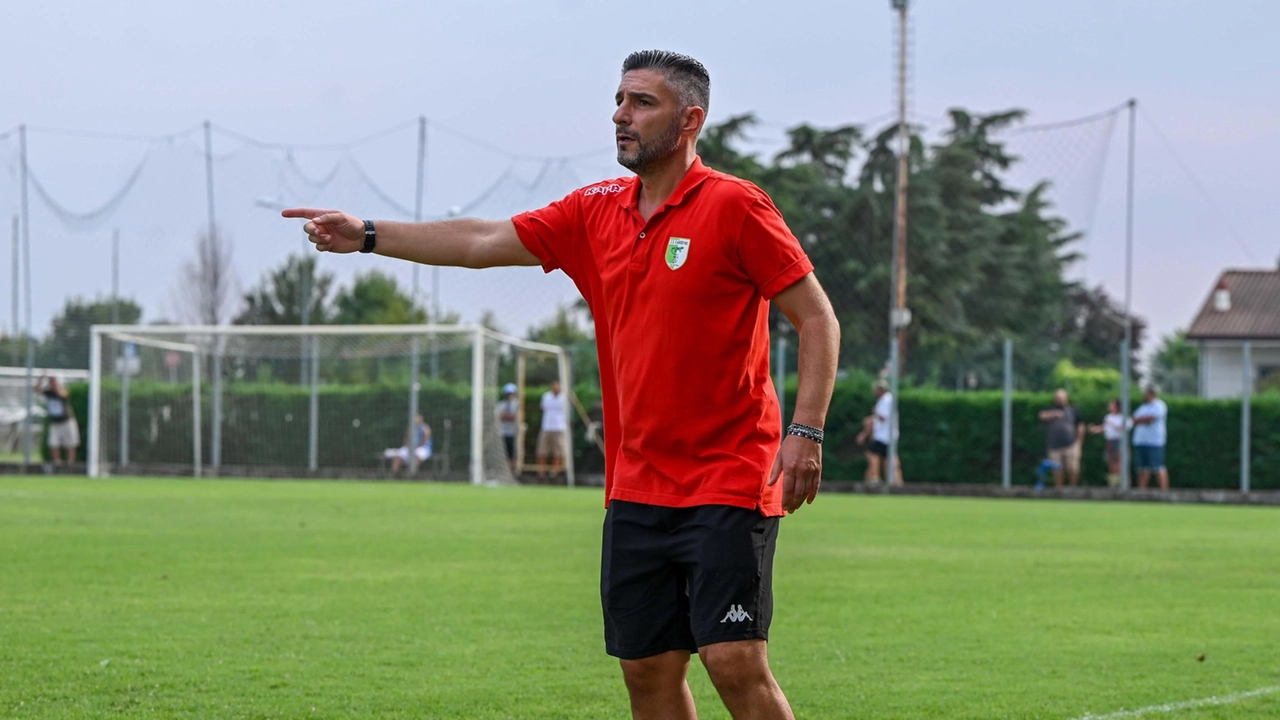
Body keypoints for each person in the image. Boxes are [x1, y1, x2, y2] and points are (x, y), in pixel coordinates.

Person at [284, 49, 840, 720]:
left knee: (733, 659)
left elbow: (816, 317)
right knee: (647, 669)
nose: (619, 115)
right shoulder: (593, 211)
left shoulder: (735, 206)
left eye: (641, 102)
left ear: (690, 119)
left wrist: (805, 432)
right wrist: (370, 233)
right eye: (618, 99)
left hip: (729, 474)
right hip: (636, 482)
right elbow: (481, 239)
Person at [855, 380, 901, 485]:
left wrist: (875, 413)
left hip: (884, 436)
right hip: (885, 435)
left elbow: (883, 417)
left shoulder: (886, 400)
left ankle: (875, 478)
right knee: (887, 459)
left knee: (872, 454)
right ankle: (893, 481)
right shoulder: (885, 400)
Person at [1037, 389, 1083, 487]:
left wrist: (1079, 442)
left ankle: (1073, 489)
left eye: (1062, 398)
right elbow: (1041, 415)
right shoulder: (1050, 409)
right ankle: (1059, 490)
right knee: (1057, 470)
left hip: (1071, 444)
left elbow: (1080, 426)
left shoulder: (1073, 410)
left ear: (1066, 398)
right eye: (1058, 398)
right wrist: (1054, 414)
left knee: (1073, 468)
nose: (1060, 400)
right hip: (1054, 445)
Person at [1132, 386, 1170, 490]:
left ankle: (1164, 491)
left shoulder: (1159, 405)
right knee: (1141, 468)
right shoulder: (1143, 407)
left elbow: (1150, 419)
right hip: (1141, 441)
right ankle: (1142, 491)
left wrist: (1140, 419)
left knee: (1158, 467)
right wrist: (1140, 419)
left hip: (1155, 441)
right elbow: (1134, 419)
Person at [37, 376, 80, 465]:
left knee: (70, 443)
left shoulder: (62, 390)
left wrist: (57, 386)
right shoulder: (49, 393)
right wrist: (41, 380)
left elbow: (63, 394)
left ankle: (70, 462)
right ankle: (57, 462)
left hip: (66, 421)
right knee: (53, 443)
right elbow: (37, 390)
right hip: (55, 422)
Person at [1088, 399, 1127, 488]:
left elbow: (1121, 428)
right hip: (1109, 441)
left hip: (1118, 441)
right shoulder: (1108, 417)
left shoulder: (1123, 417)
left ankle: (1121, 484)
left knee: (1118, 463)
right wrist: (1095, 429)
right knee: (1110, 463)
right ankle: (1113, 484)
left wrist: (1111, 423)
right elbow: (1105, 428)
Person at [536, 379, 568, 480]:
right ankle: (541, 472)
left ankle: (555, 472)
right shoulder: (546, 396)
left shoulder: (564, 398)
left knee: (558, 451)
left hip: (559, 427)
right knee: (542, 450)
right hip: (546, 426)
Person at [496, 383, 520, 474]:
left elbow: (515, 417)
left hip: (513, 432)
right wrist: (508, 417)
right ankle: (504, 470)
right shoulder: (501, 405)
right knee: (503, 451)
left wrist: (508, 417)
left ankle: (512, 471)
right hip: (503, 431)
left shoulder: (516, 404)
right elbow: (500, 416)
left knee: (512, 452)